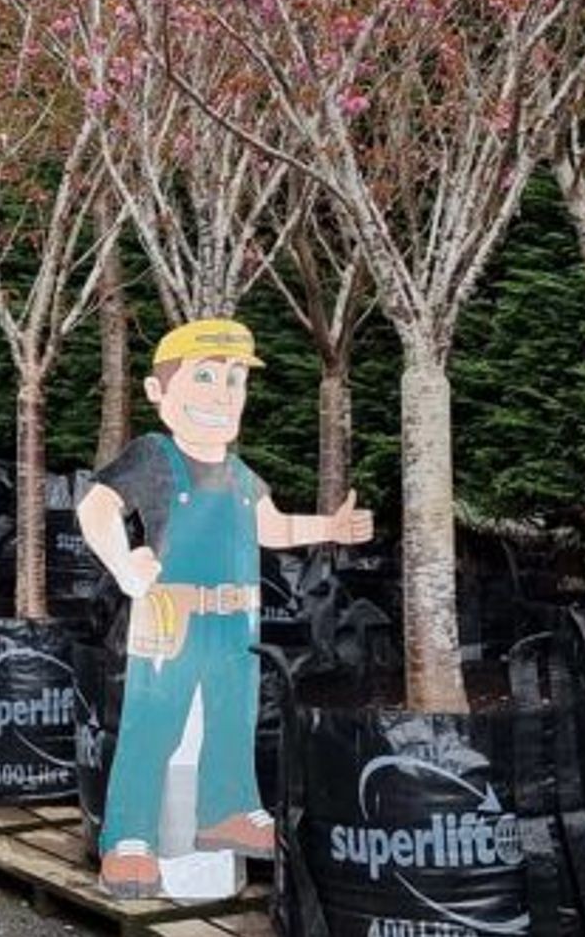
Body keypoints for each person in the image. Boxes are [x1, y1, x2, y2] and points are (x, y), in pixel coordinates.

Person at [76, 318, 373, 900]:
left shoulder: (239, 473)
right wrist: (124, 563)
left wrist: (330, 527)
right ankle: (129, 838)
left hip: (237, 623)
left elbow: (274, 526)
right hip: (170, 619)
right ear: (158, 393)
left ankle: (228, 808)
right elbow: (96, 507)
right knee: (152, 724)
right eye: (206, 377)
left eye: (234, 381)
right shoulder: (153, 457)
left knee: (232, 719)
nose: (222, 395)